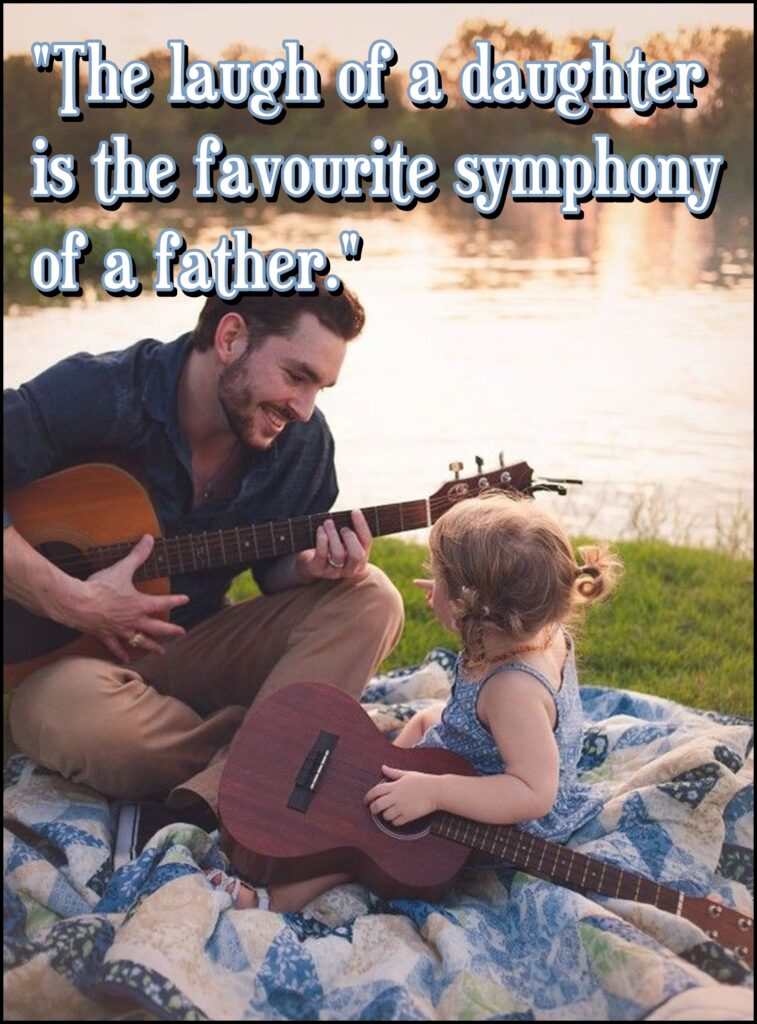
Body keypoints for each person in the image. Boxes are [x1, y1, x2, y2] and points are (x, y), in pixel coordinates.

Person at [3, 279, 405, 825]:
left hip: (187, 649)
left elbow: (272, 570)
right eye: (296, 377)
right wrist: (75, 602)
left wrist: (307, 568)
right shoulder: (104, 391)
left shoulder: (302, 444)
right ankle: (274, 749)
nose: (305, 409)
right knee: (66, 721)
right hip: (64, 669)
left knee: (373, 597)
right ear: (231, 337)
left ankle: (238, 776)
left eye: (320, 389)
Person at [222, 489, 622, 911]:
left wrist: (434, 793)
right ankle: (375, 783)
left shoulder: (513, 690)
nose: (433, 586)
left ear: (472, 608)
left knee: (360, 846)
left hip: (499, 814)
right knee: (425, 720)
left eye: (441, 580)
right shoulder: (529, 625)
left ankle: (268, 900)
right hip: (478, 757)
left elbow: (534, 792)